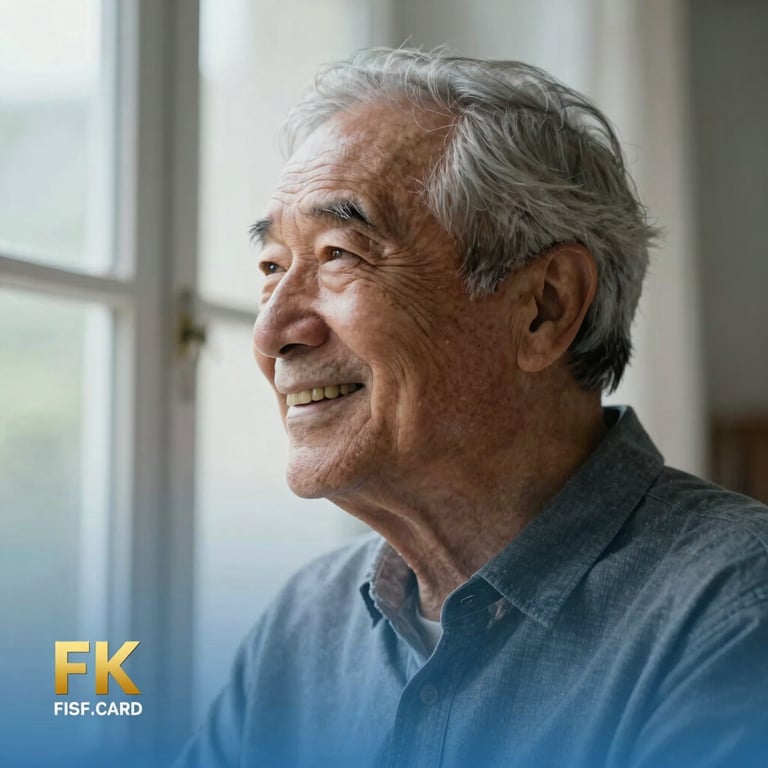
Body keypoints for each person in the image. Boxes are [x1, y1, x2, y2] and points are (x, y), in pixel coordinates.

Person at [175, 49, 768, 768]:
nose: (270, 333)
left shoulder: (735, 611)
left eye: (338, 254)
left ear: (543, 310)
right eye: (272, 268)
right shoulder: (305, 625)